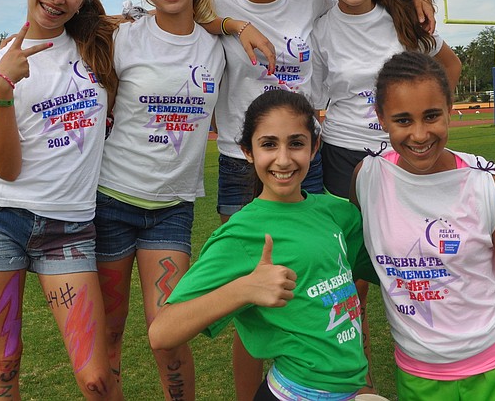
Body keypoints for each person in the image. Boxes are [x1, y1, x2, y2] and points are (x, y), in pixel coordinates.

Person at [206, 0, 434, 398]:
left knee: (332, 288)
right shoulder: (216, 5)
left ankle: (354, 387)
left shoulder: (311, 3)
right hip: (241, 163)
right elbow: (170, 3)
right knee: (251, 293)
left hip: (306, 161)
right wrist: (235, 26)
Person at [0, 0, 122, 400]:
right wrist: (2, 88)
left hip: (69, 227)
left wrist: (230, 22)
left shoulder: (99, 46)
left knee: (95, 377)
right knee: (4, 363)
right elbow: (6, 168)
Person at [149, 90, 375, 400]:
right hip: (295, 393)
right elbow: (162, 332)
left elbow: (383, 265)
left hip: (348, 389)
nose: (283, 159)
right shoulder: (244, 233)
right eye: (269, 144)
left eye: (296, 143)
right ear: (248, 151)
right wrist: (245, 289)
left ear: (314, 147)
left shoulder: (336, 213)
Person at [351, 51, 495, 401]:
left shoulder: (492, 188)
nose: (420, 134)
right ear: (380, 117)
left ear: (449, 108)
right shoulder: (366, 179)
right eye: (402, 120)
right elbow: (355, 278)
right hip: (416, 377)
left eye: (431, 116)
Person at [93, 0, 226, 401]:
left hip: (171, 208)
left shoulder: (219, 44)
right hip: (110, 201)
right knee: (108, 331)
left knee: (168, 333)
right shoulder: (122, 36)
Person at [311, 0, 462, 199]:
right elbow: (315, 100)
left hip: (403, 148)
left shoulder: (403, 17)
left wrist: (430, 116)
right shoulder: (320, 30)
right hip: (342, 151)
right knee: (353, 237)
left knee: (405, 237)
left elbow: (452, 65)